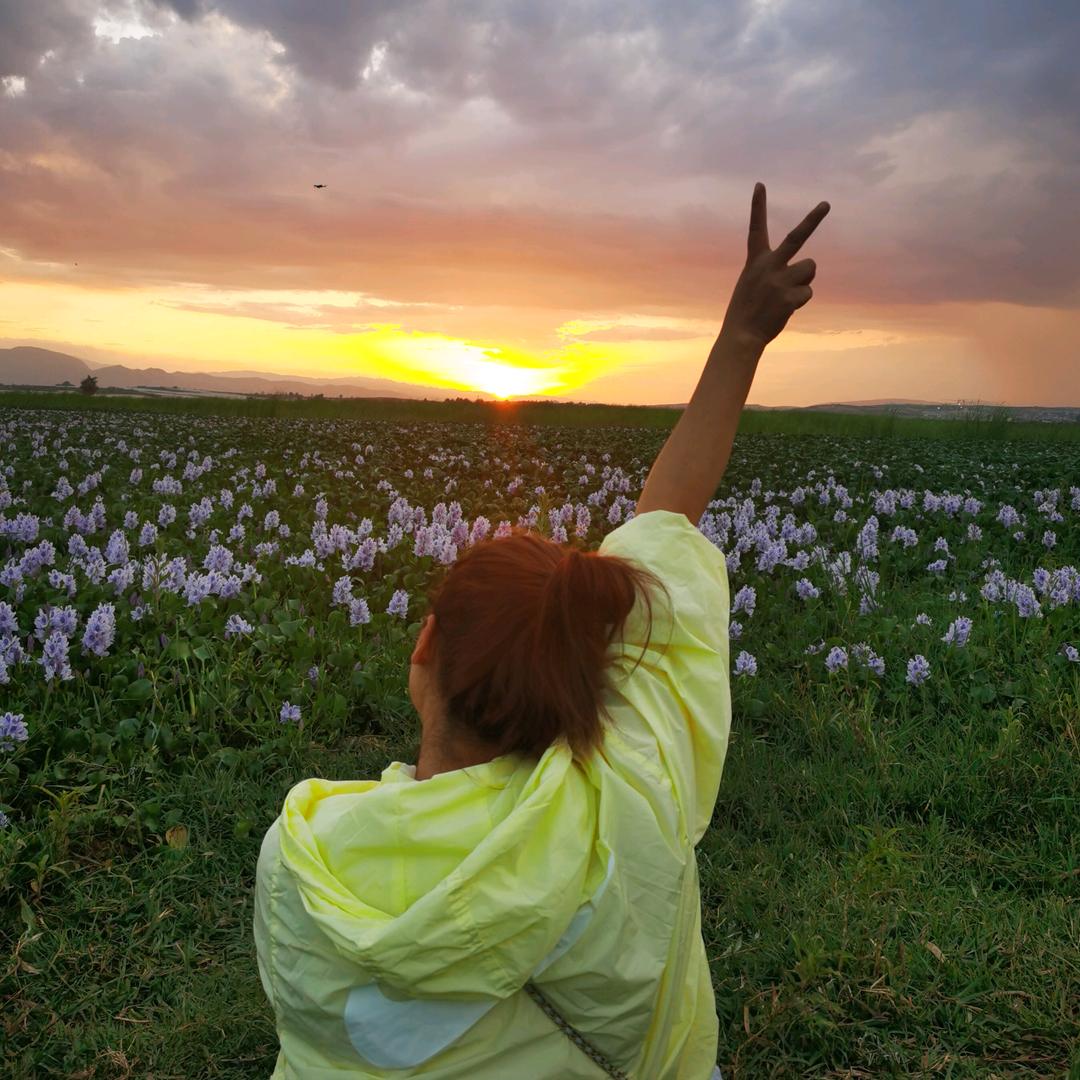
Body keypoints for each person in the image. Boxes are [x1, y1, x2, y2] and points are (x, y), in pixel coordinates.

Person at [254, 182, 830, 1078]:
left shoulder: (306, 860)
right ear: (591, 676)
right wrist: (741, 338)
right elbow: (668, 513)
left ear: (423, 650)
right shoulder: (634, 796)